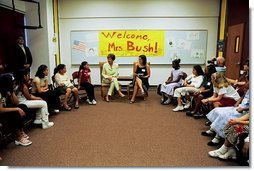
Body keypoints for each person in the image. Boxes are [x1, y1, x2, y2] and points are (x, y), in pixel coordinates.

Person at [201, 80, 249, 146]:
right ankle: (212, 130)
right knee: (218, 111)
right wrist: (237, 103)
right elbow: (243, 97)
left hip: (245, 112)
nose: (245, 90)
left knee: (225, 116)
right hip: (239, 107)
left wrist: (243, 108)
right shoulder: (248, 90)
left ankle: (217, 138)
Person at [0, 73, 32, 146]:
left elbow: (16, 103)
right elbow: (1, 109)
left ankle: (21, 130)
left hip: (4, 108)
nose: (14, 83)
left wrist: (11, 92)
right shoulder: (0, 92)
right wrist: (17, 109)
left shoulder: (7, 90)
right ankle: (19, 137)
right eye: (12, 82)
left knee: (23, 107)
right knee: (14, 114)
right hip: (1, 111)